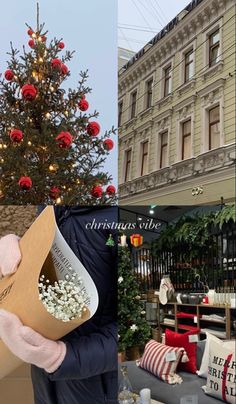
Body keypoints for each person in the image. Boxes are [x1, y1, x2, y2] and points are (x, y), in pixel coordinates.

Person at [0, 206, 118, 404]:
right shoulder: (50, 208)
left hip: (96, 390)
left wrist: (61, 357)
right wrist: (16, 242)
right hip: (45, 385)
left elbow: (135, 329)